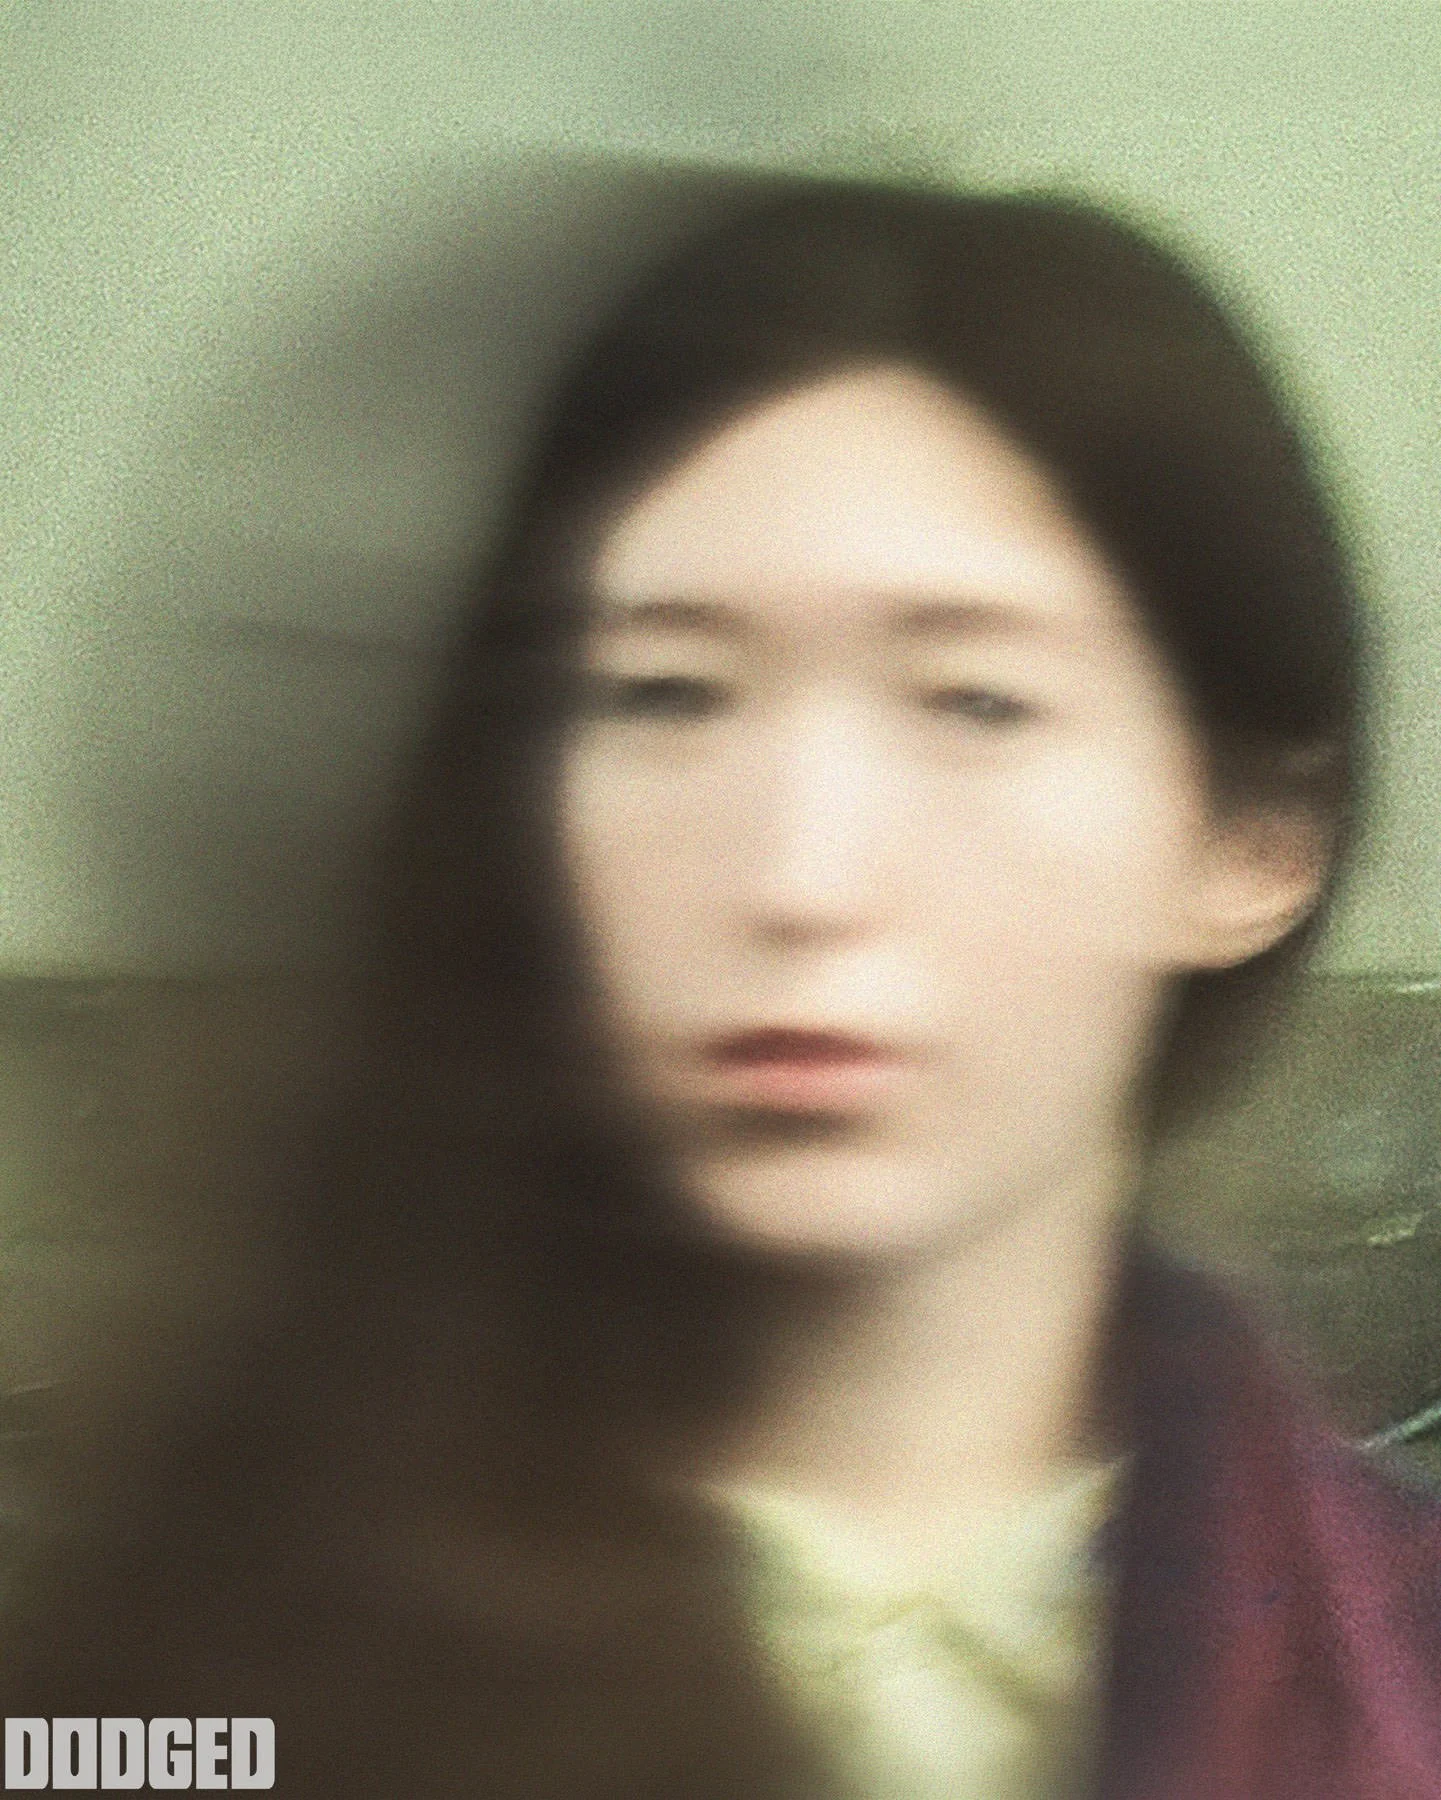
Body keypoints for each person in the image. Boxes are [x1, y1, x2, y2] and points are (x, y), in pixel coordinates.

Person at [3, 169, 1440, 1799]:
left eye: (974, 703)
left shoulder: (1388, 1667)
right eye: (667, 695)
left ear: (1252, 835)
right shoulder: (172, 1685)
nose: (798, 878)